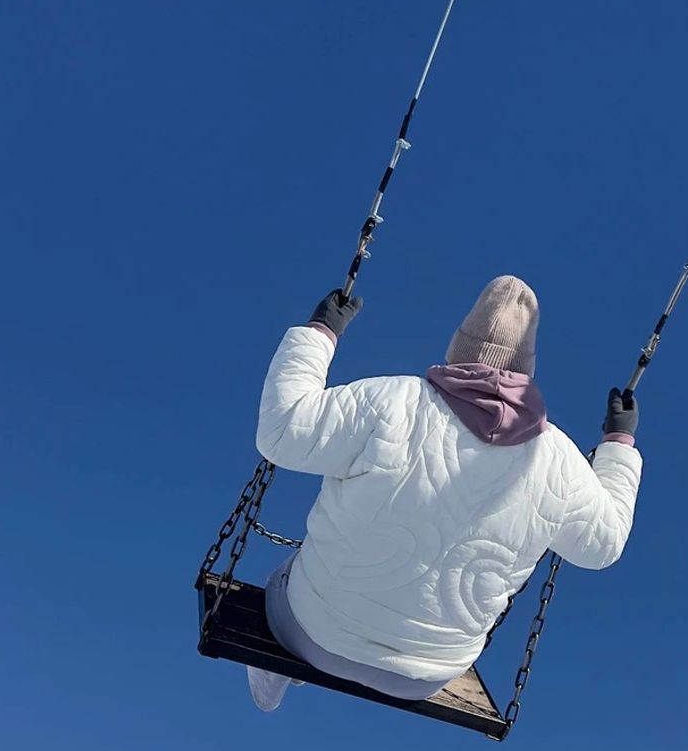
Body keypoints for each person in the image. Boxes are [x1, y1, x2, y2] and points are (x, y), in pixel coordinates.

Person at [248, 275, 642, 712]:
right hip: (426, 674)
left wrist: (320, 332)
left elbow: (282, 431)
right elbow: (603, 545)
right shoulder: (557, 460)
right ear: (525, 371)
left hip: (315, 632)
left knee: (286, 579)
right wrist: (618, 444)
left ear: (459, 349)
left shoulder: (394, 401)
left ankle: (276, 673)